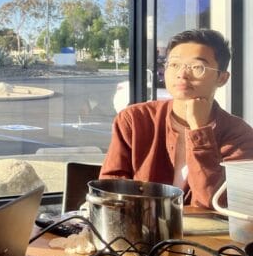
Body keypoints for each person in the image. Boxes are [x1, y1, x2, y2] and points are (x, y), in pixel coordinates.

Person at [100, 29, 253, 208]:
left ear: (222, 78)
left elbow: (218, 205)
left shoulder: (238, 134)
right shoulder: (134, 119)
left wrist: (199, 131)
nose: (182, 74)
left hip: (205, 235)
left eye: (197, 67)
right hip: (141, 231)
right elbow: (110, 190)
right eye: (174, 65)